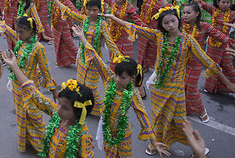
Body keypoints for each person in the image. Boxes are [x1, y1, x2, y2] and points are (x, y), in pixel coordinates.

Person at [104, 6, 235, 155]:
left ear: (179, 20)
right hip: (158, 89)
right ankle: (156, 144)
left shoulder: (187, 40)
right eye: (166, 23)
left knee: (179, 121)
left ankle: (196, 147)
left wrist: (228, 83)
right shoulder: (159, 36)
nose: (170, 25)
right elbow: (134, 27)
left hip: (176, 90)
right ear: (161, 25)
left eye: (173, 21)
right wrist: (113, 18)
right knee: (158, 119)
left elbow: (207, 61)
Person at [73, 25, 170, 158]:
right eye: (116, 74)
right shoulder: (108, 78)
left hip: (122, 133)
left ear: (132, 78)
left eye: (122, 77)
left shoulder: (133, 94)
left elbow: (143, 117)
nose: (117, 79)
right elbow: (95, 56)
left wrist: (154, 142)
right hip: (107, 130)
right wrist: (82, 37)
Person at [0, 13, 58, 153]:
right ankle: (28, 142)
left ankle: (46, 147)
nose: (18, 34)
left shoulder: (38, 47)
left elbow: (45, 70)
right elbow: (5, 28)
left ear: (31, 31)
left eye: (21, 31)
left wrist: (53, 89)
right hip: (17, 89)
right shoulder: (20, 41)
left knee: (35, 117)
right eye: (17, 31)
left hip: (30, 90)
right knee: (22, 116)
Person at [2, 49, 94, 157]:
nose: (59, 109)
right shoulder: (57, 115)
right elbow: (33, 92)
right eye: (59, 103)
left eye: (65, 108)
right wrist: (14, 66)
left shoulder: (83, 136)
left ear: (79, 112)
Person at [48, 0, 120, 116]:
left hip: (94, 60)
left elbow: (110, 43)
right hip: (82, 59)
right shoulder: (84, 19)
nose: (91, 13)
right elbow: (69, 12)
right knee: (81, 85)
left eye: (95, 10)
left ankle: (103, 112)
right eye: (89, 10)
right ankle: (84, 108)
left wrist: (119, 58)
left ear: (100, 11)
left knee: (91, 87)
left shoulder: (102, 25)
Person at [182, 2, 235, 121]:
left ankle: (202, 111)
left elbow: (219, 35)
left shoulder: (204, 26)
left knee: (192, 88)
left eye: (188, 13)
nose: (185, 15)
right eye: (183, 13)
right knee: (182, 86)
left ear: (197, 14)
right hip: (182, 60)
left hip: (197, 61)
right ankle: (186, 109)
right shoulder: (181, 24)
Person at [188, 0, 235, 105]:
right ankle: (212, 88)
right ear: (218, 2)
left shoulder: (233, 15)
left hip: (225, 45)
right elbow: (200, 2)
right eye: (223, 2)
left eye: (228, 2)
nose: (225, 5)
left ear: (231, 3)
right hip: (212, 44)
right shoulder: (214, 10)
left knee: (229, 68)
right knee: (213, 66)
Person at [46, 0, 78, 67]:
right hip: (56, 28)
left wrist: (73, 27)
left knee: (70, 45)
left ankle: (81, 60)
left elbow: (74, 12)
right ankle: (64, 62)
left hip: (64, 28)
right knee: (59, 45)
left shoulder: (67, 2)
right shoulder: (55, 1)